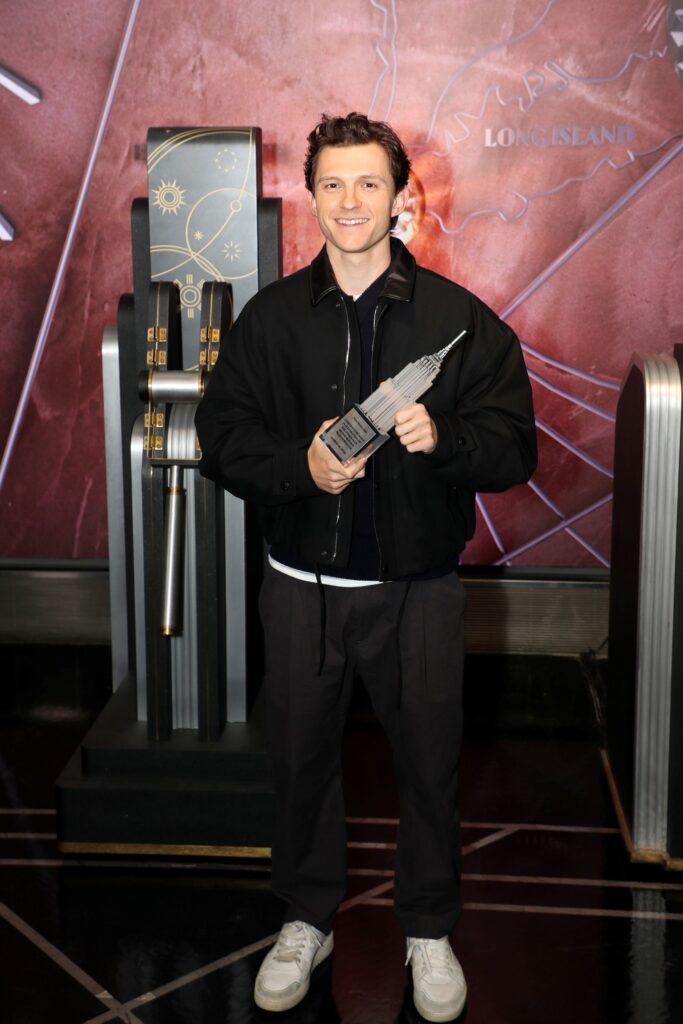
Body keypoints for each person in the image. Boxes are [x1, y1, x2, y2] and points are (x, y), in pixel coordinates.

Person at [195, 112, 537, 1022]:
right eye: (333, 184)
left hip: (418, 593)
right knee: (299, 763)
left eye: (368, 184)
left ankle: (426, 928)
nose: (350, 201)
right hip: (299, 591)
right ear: (311, 197)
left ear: (398, 199)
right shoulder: (270, 319)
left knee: (428, 768)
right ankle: (306, 920)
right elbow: (222, 438)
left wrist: (445, 437)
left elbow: (514, 448)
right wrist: (297, 467)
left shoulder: (456, 322)